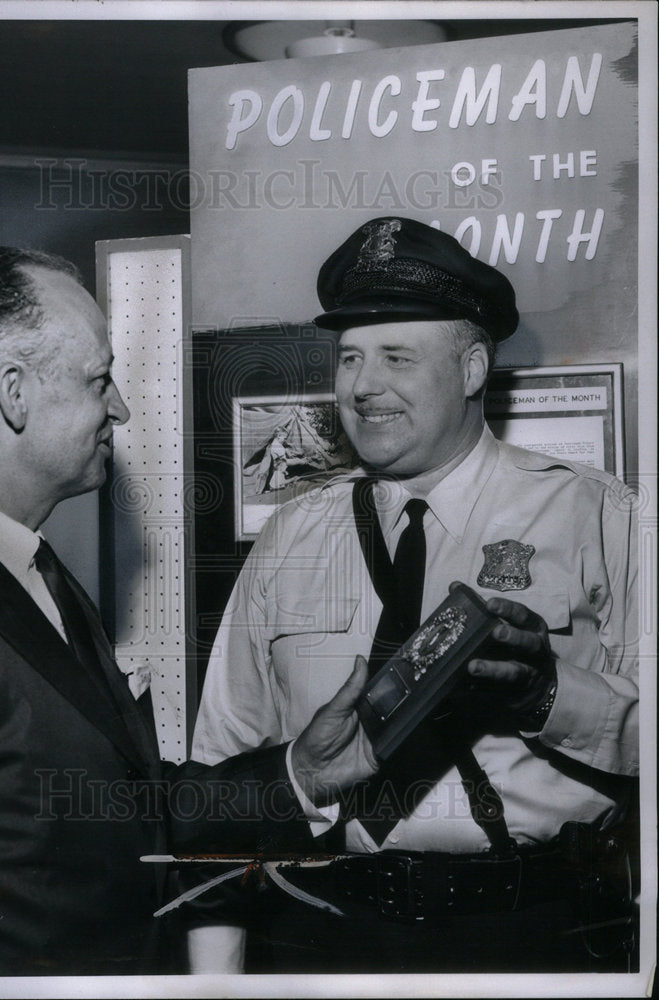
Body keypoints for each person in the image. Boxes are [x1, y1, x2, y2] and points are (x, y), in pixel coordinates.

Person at [0, 246, 378, 977]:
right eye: (98, 380)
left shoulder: (31, 569)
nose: (122, 408)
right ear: (14, 395)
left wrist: (300, 772)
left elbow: (126, 804)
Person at [190, 217, 639, 974]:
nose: (361, 386)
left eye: (396, 357)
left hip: (533, 936)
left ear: (470, 370)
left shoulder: (598, 516)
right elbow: (226, 774)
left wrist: (546, 698)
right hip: (322, 935)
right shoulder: (290, 536)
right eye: (349, 358)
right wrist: (213, 986)